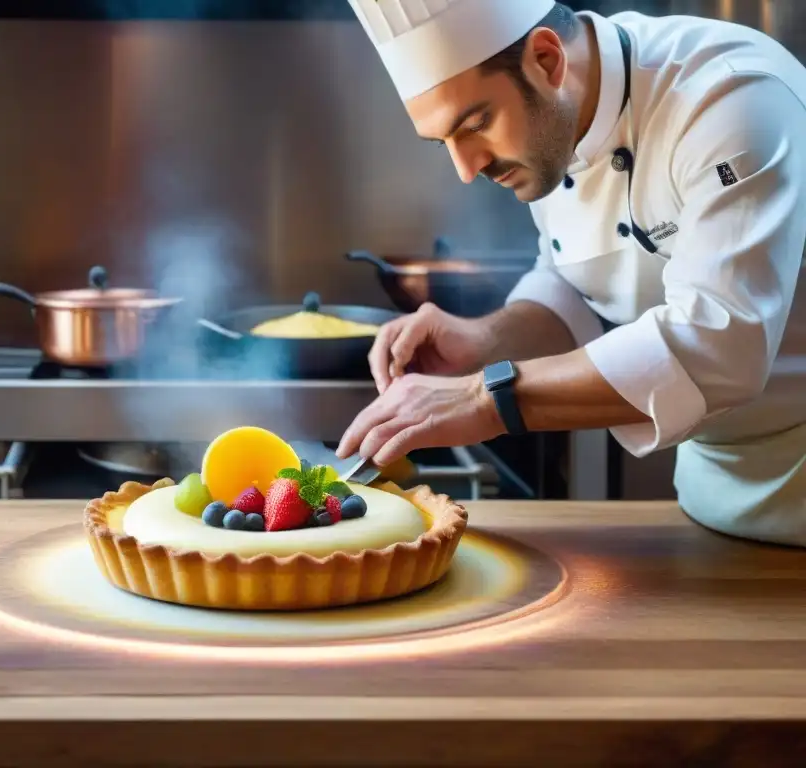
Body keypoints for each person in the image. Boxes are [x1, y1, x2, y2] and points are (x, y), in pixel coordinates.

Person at [335, 0, 806, 546]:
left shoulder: (729, 97)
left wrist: (483, 399)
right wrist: (483, 340)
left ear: (546, 58)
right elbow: (573, 285)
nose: (467, 169)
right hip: (711, 492)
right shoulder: (555, 123)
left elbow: (719, 346)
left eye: (477, 124)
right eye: (445, 142)